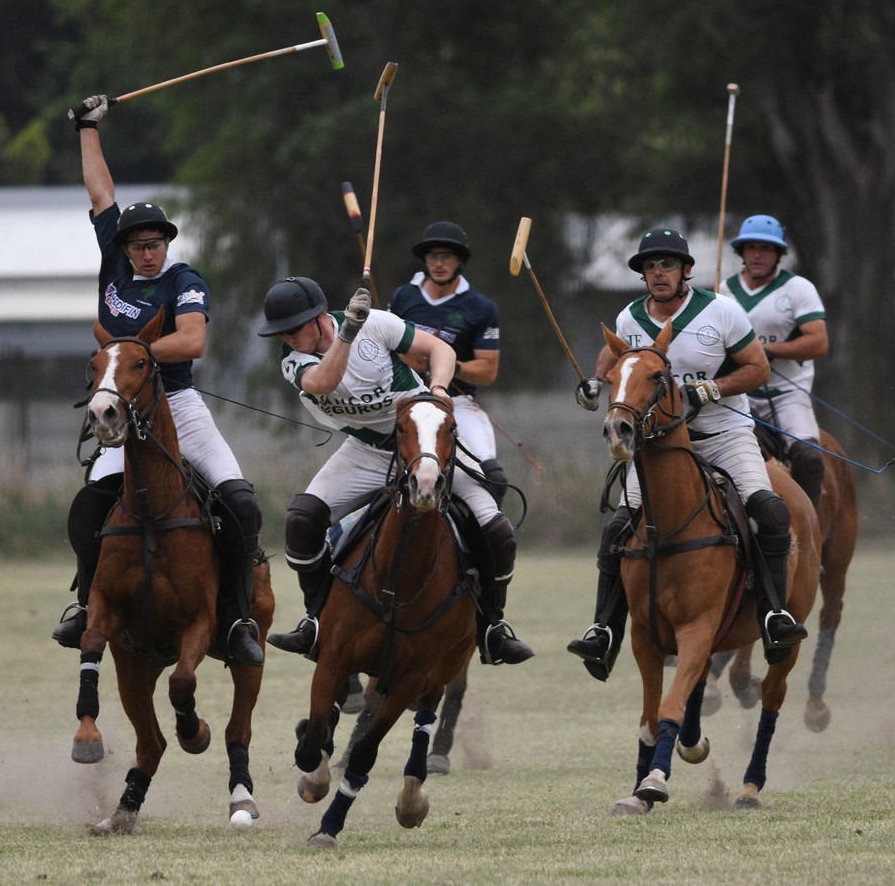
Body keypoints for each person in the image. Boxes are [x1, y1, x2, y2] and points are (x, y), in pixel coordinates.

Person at [49, 94, 264, 666]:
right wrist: (88, 128)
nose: (148, 252)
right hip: (120, 408)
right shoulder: (115, 264)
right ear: (124, 247)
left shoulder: (184, 280)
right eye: (139, 244)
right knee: (91, 505)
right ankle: (86, 606)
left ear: (167, 244)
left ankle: (239, 617)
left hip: (178, 406)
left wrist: (129, 352)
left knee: (240, 504)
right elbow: (100, 192)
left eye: (156, 243)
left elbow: (193, 340)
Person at [565, 227, 809, 681]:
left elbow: (757, 367)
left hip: (724, 434)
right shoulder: (631, 317)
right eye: (650, 266)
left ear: (686, 271)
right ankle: (604, 630)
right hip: (662, 447)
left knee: (770, 512)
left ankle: (774, 616)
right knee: (619, 528)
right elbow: (616, 355)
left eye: (668, 265)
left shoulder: (722, 312)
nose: (658, 273)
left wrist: (714, 388)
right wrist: (595, 383)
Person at [256, 275, 533, 666]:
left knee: (497, 532)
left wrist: (438, 388)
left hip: (424, 443)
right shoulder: (295, 361)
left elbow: (440, 349)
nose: (287, 337)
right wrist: (347, 333)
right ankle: (316, 620)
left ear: (318, 317)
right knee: (302, 519)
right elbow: (324, 381)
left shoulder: (378, 324)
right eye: (280, 333)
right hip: (368, 452)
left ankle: (491, 626)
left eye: (293, 328)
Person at [386, 221, 510, 504]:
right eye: (433, 256)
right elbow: (385, 350)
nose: (439, 263)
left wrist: (448, 366)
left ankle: (485, 542)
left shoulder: (480, 307)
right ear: (424, 259)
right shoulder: (403, 296)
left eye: (447, 256)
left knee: (493, 479)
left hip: (457, 404)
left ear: (460, 260)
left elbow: (488, 370)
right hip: (406, 402)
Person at [719, 214, 830, 510]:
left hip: (786, 396)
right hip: (737, 394)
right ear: (741, 252)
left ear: (778, 253)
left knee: (809, 459)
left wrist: (771, 351)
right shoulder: (724, 291)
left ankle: (810, 528)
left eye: (766, 248)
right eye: (750, 247)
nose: (757, 254)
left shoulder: (798, 288)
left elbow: (819, 342)